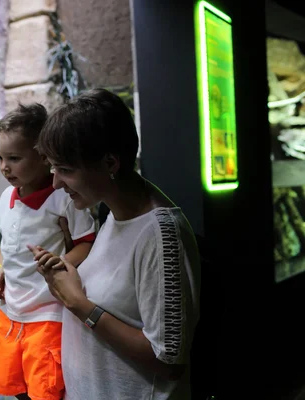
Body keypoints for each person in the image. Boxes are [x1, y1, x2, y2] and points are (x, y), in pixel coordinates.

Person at [30, 88, 201, 400]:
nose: (55, 183)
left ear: (110, 163)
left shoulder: (160, 234)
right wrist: (69, 272)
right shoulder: (113, 214)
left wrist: (78, 304)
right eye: (53, 169)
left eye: (66, 170)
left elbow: (168, 361)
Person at [0, 103, 96, 400]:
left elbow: (88, 241)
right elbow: (6, 241)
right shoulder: (4, 198)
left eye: (14, 158)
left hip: (48, 312)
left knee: (46, 389)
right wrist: (0, 271)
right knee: (15, 384)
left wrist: (60, 263)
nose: (4, 167)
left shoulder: (63, 198)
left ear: (41, 155)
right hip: (10, 311)